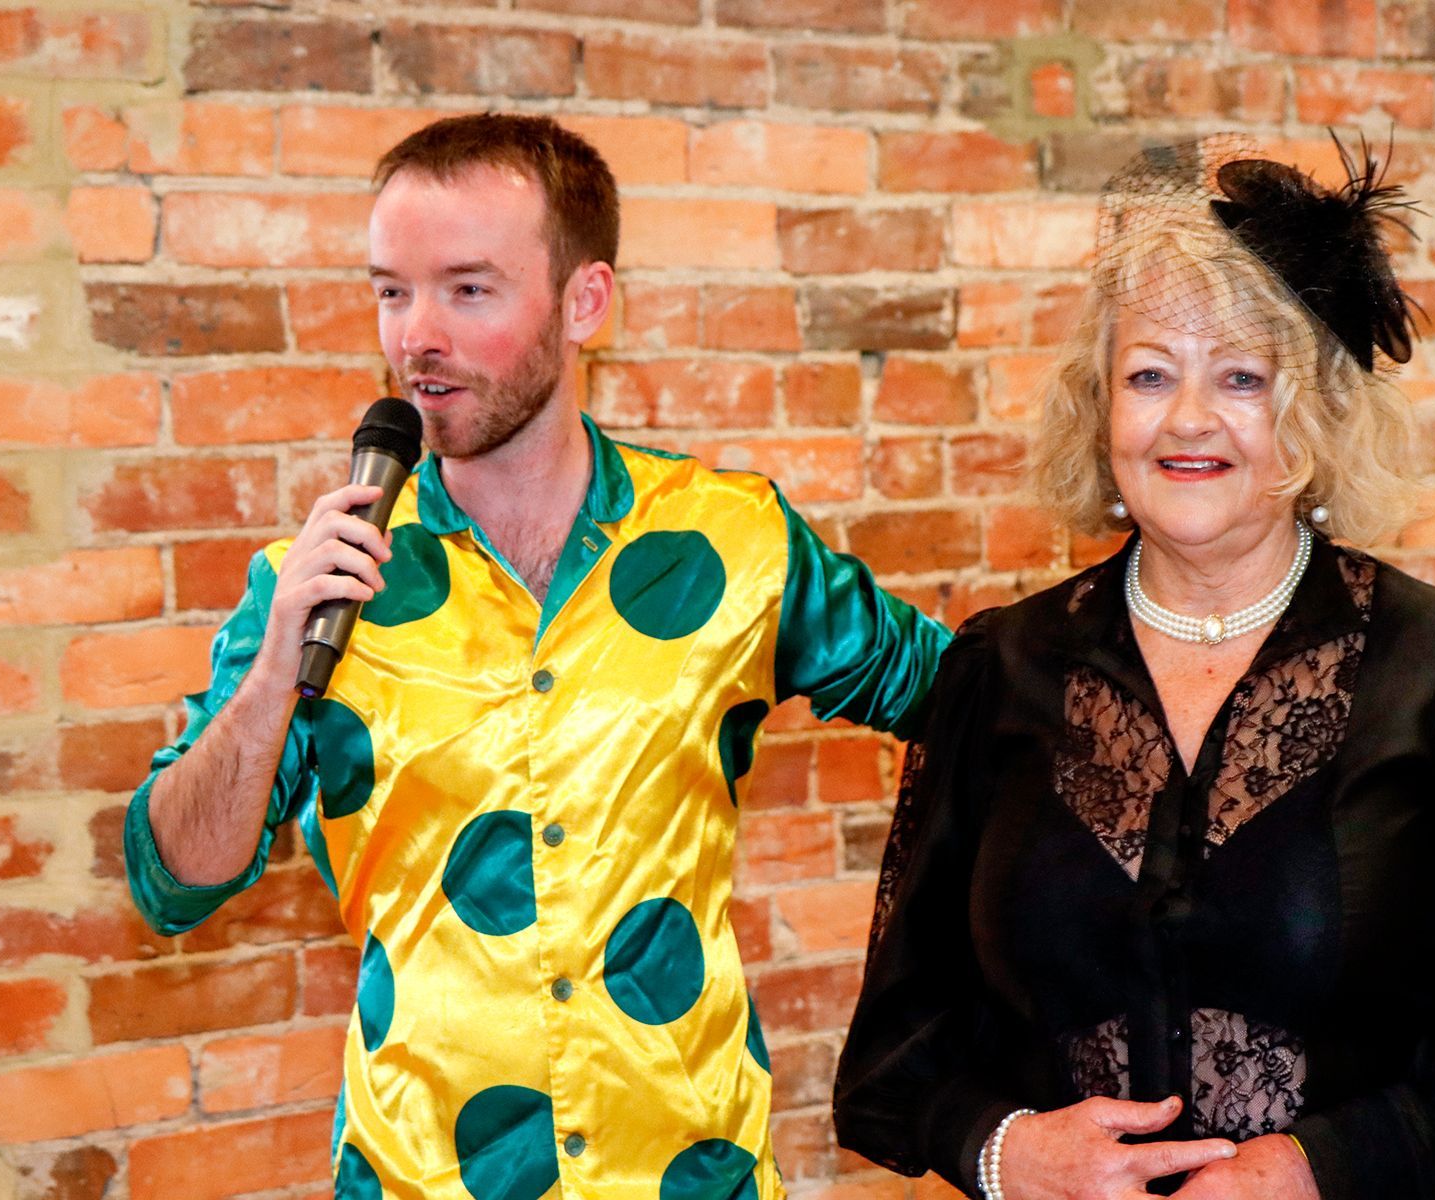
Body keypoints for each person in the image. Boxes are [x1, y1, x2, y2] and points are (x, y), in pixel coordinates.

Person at [125, 113, 950, 1200]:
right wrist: (276, 669)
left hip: (691, 1175)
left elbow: (968, 697)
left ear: (586, 303)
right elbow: (172, 881)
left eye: (468, 290)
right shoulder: (315, 588)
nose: (417, 334)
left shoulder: (733, 541)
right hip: (426, 1177)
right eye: (390, 290)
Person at [833, 136, 1435, 1200]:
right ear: (1102, 410)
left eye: (1242, 378)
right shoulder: (1003, 671)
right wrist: (1005, 1151)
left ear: (1311, 416)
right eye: (1150, 374)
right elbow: (896, 1052)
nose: (1189, 420)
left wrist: (1318, 1167)